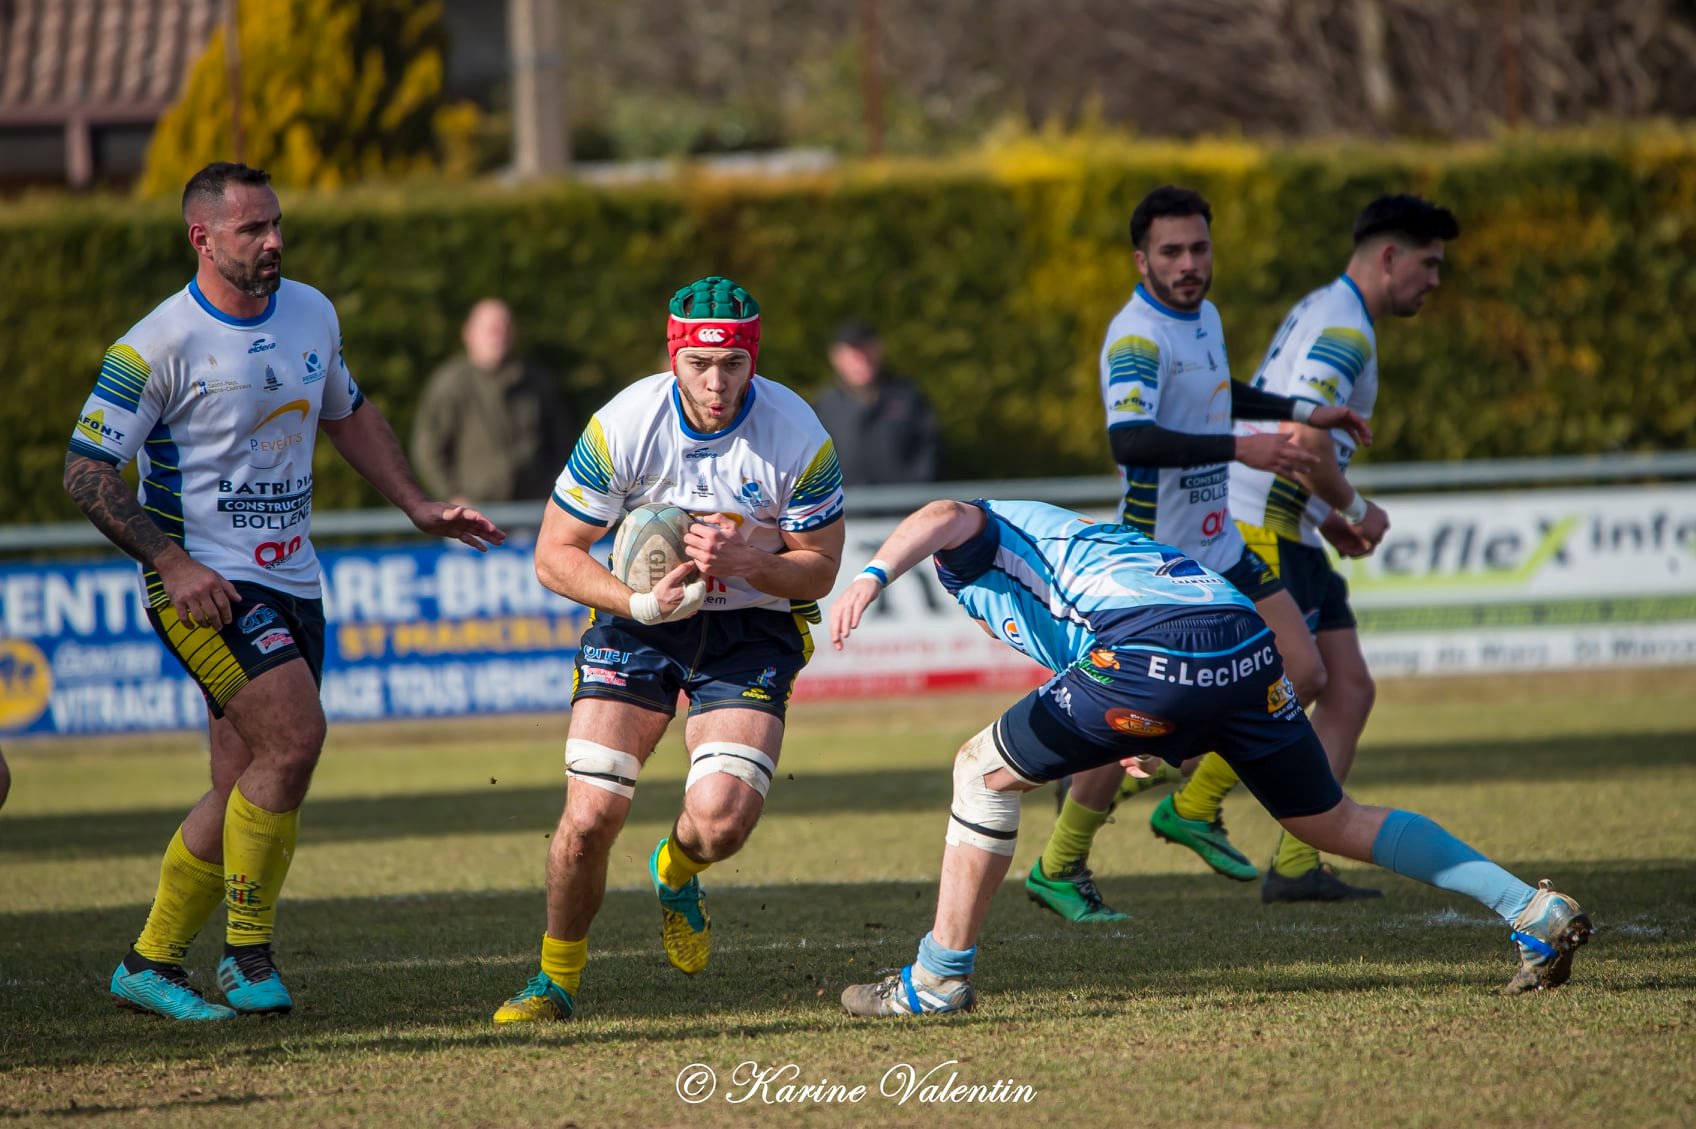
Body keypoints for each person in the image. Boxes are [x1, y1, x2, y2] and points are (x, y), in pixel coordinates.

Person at [830, 498, 1591, 1016]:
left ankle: (937, 980)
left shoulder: (991, 530)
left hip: (1152, 645)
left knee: (977, 769)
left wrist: (870, 574)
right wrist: (1135, 728)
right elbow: (1101, 654)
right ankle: (1530, 907)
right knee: (1331, 816)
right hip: (1242, 639)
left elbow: (944, 514)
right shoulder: (1080, 548)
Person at [63, 162, 504, 1022]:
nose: (272, 242)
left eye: (275, 225)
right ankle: (246, 953)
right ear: (201, 238)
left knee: (246, 783)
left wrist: (415, 503)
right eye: (250, 230)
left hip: (296, 578)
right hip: (206, 588)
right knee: (296, 739)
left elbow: (347, 410)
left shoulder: (312, 311)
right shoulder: (154, 344)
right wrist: (172, 562)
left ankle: (149, 961)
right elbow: (85, 468)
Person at [492, 276, 846, 1024]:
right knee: (588, 817)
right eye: (699, 365)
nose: (715, 385)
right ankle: (555, 979)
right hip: (638, 624)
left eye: (733, 367)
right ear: (674, 354)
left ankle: (677, 869)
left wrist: (752, 562)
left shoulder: (798, 434)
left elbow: (820, 564)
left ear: (754, 359)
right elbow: (554, 553)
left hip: (750, 628)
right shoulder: (624, 423)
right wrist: (637, 603)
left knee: (720, 819)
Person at [1024, 185, 1374, 923]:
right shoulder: (1135, 336)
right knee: (1122, 723)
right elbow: (1131, 439)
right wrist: (1241, 448)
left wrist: (1303, 412)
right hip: (1158, 559)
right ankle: (1059, 865)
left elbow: (1217, 391)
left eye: (1199, 249)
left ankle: (1191, 805)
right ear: (1140, 259)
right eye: (1172, 252)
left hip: (1219, 542)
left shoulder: (1203, 316)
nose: (1189, 264)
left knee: (1305, 670)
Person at [1226, 194, 1459, 901]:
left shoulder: (1331, 306)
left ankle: (1297, 865)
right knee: (1293, 678)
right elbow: (1302, 437)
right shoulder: (1345, 327)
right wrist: (1355, 506)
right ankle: (1184, 796)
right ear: (1389, 257)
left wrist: (1329, 516)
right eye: (1430, 263)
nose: (1437, 280)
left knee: (1349, 685)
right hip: (1262, 520)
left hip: (1290, 519)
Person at [410, 297, 573, 505]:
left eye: (504, 327)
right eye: (490, 329)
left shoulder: (536, 381)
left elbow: (561, 441)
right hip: (472, 512)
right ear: (468, 334)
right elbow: (428, 449)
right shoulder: (451, 383)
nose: (499, 335)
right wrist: (452, 495)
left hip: (530, 511)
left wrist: (553, 490)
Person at [810, 321, 942, 486]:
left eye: (867, 351)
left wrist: (915, 491)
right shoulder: (824, 406)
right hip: (847, 508)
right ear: (837, 358)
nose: (863, 361)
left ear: (879, 350)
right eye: (855, 354)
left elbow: (929, 449)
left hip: (906, 506)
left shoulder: (908, 396)